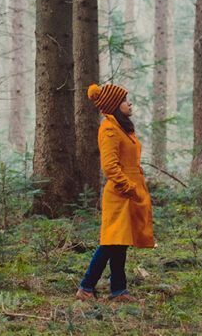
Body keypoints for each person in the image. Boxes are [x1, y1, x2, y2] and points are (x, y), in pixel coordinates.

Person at [75, 83, 155, 303]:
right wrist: (129, 187)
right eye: (124, 100)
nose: (129, 103)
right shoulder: (109, 129)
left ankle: (119, 290)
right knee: (111, 241)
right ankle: (86, 286)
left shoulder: (122, 128)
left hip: (129, 190)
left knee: (120, 241)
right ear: (114, 105)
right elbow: (110, 167)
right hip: (120, 193)